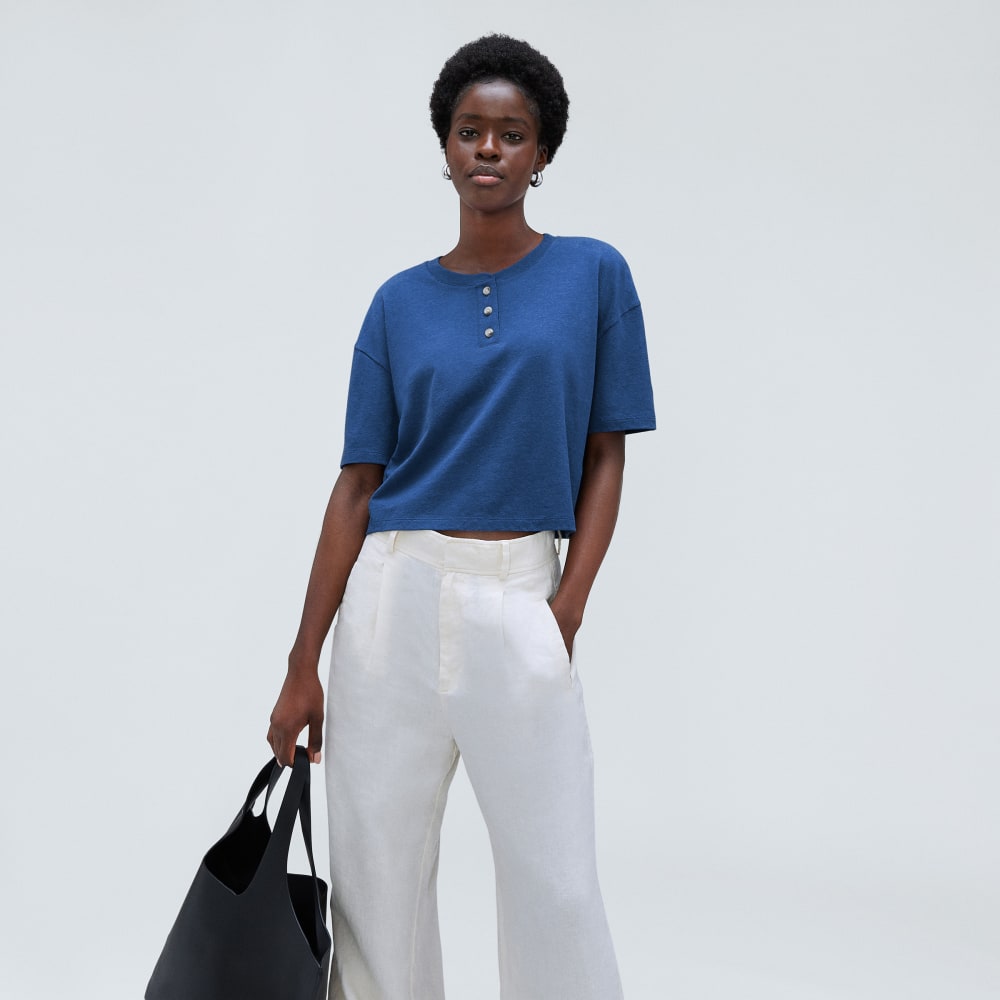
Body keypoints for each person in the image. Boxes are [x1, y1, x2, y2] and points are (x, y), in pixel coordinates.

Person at [267, 33, 655, 1000]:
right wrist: (302, 662)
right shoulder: (397, 304)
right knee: (376, 882)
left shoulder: (594, 276)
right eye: (469, 130)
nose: (488, 148)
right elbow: (356, 486)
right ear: (444, 146)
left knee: (556, 883)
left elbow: (606, 454)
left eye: (511, 133)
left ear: (542, 151)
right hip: (389, 601)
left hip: (518, 593)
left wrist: (565, 609)